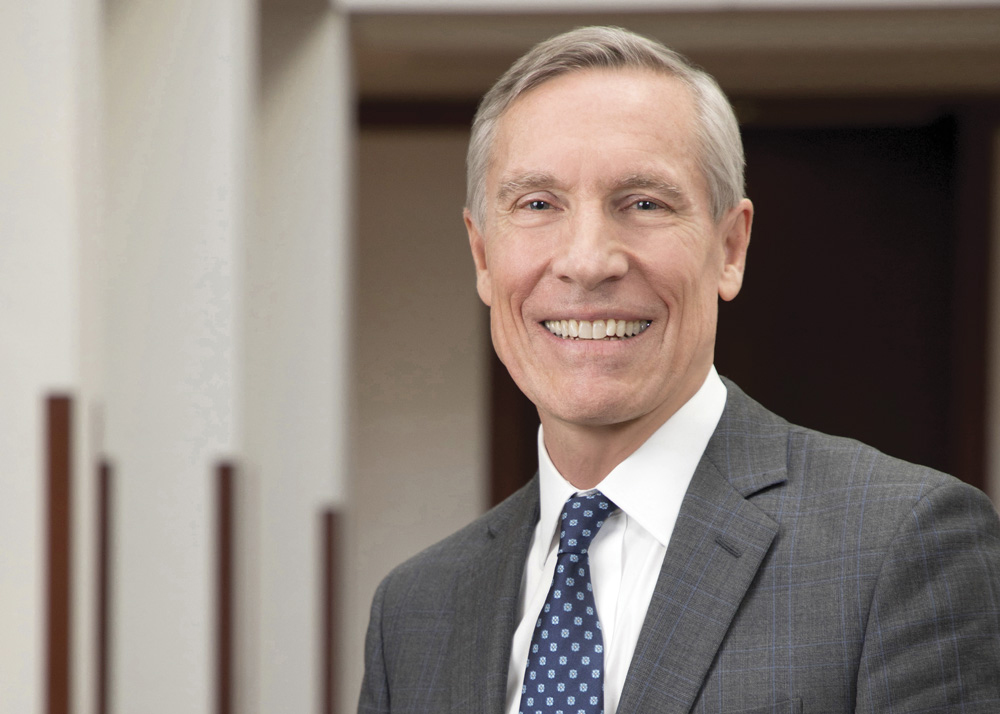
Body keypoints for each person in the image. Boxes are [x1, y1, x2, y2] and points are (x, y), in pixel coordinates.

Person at [358, 26, 1000, 714]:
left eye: (643, 203)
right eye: (539, 205)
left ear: (731, 247)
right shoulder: (416, 609)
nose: (588, 259)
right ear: (483, 257)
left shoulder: (900, 547)